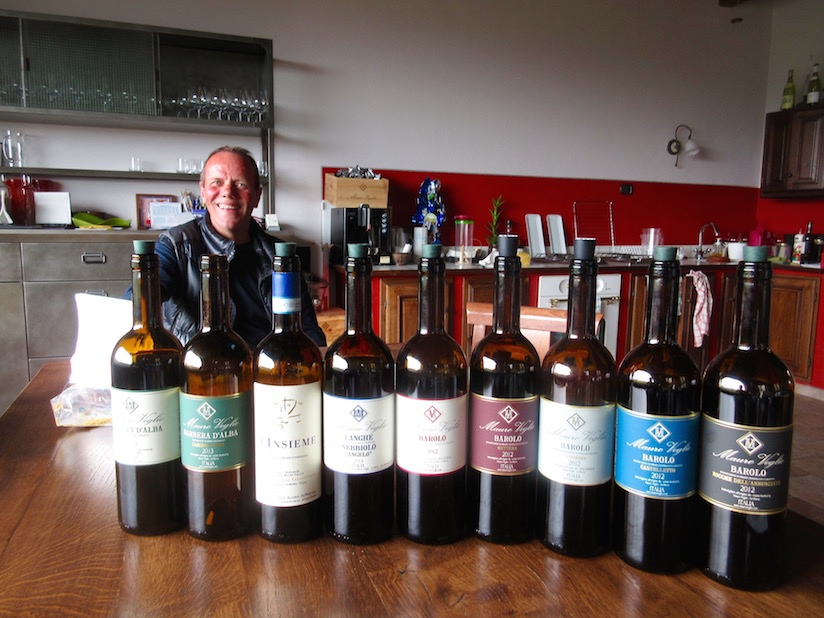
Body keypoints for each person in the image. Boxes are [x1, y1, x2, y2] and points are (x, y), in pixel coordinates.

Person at [146, 145, 326, 348]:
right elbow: (137, 302)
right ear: (203, 192)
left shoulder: (281, 256)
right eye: (216, 183)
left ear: (257, 196)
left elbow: (308, 332)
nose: (227, 192)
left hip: (267, 364)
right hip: (201, 365)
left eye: (240, 184)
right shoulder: (175, 246)